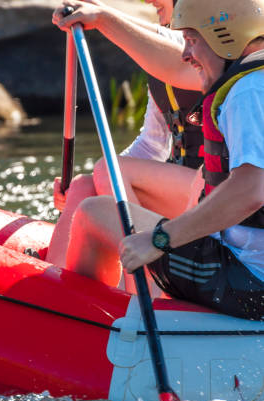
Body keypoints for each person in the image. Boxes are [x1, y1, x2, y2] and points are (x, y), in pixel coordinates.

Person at [61, 0, 264, 320]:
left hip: (247, 284)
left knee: (94, 215)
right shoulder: (253, 81)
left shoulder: (248, 90)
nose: (186, 54)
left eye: (192, 41)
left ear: (226, 37)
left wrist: (160, 239)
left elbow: (251, 192)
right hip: (248, 269)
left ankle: (78, 332)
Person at [46, 0, 206, 273]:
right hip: (182, 186)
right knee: (86, 186)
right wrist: (101, 179)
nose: (148, 1)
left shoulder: (216, 53)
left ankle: (150, 282)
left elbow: (179, 51)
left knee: (110, 171)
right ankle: (55, 288)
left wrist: (104, 18)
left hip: (217, 193)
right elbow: (152, 145)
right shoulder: (162, 56)